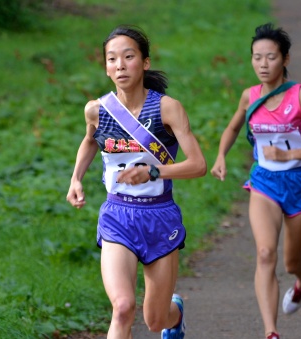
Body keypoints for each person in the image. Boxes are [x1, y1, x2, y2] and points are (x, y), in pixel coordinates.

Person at [66, 24, 207, 339]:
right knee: (123, 307)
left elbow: (197, 165)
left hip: (160, 217)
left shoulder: (167, 108)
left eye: (128, 57)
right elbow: (90, 141)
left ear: (144, 62)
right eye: (112, 59)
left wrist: (154, 171)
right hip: (117, 216)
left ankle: (176, 314)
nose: (120, 65)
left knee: (156, 320)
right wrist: (76, 178)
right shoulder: (97, 110)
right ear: (106, 66)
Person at [210, 23, 301, 339]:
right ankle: (271, 331)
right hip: (264, 182)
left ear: (285, 59)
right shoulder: (249, 97)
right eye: (257, 58)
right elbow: (234, 128)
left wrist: (292, 156)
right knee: (265, 253)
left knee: (291, 262)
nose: (263, 65)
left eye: (271, 57)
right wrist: (221, 155)